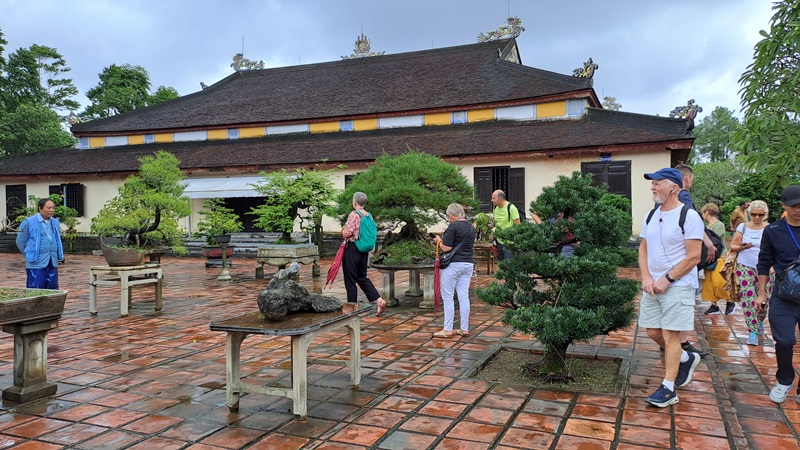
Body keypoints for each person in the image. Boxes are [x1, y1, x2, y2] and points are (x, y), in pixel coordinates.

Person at [639, 168, 703, 407]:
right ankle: (685, 357)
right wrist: (646, 277)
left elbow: (694, 256)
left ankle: (668, 387)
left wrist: (667, 279)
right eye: (652, 183)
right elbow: (643, 248)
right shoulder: (650, 215)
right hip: (652, 285)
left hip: (678, 285)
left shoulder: (689, 216)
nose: (653, 187)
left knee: (670, 334)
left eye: (658, 183)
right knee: (652, 331)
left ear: (674, 187)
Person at [757, 186, 800, 404]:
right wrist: (761, 293)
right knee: (784, 340)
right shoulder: (773, 230)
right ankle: (784, 380)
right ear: (783, 206)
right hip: (784, 295)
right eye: (794, 206)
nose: (799, 210)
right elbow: (764, 262)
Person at [730, 200, 773, 346]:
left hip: (766, 269)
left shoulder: (770, 228)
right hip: (745, 266)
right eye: (754, 214)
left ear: (765, 215)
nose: (756, 217)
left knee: (763, 300)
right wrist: (743, 247)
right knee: (747, 298)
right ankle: (752, 330)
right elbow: (733, 245)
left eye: (760, 215)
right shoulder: (743, 227)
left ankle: (759, 321)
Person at [432, 203, 475, 338]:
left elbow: (446, 248)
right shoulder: (471, 227)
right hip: (468, 264)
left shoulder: (453, 226)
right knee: (463, 295)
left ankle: (448, 329)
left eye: (449, 216)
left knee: (448, 296)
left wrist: (438, 241)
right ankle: (464, 328)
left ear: (452, 214)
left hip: (454, 264)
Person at [341, 192, 388, 315]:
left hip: (352, 248)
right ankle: (379, 300)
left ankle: (351, 310)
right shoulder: (368, 215)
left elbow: (347, 233)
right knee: (362, 277)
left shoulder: (354, 214)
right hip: (364, 250)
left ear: (355, 202)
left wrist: (344, 229)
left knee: (350, 279)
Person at [16, 198, 64, 289]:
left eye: (53, 208)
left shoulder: (55, 222)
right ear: (40, 208)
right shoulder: (28, 222)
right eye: (49, 208)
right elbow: (20, 242)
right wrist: (29, 254)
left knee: (52, 288)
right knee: (36, 289)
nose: (52, 210)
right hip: (36, 262)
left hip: (52, 261)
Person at [700, 203, 734, 316]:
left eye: (703, 213)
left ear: (707, 213)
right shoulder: (705, 226)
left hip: (719, 256)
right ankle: (713, 305)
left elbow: (714, 239)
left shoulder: (718, 225)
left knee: (718, 280)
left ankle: (730, 301)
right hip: (708, 257)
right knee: (708, 282)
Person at [491, 190, 520, 260]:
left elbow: (518, 226)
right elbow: (496, 222)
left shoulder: (511, 208)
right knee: (501, 265)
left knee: (509, 266)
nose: (492, 200)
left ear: (500, 199)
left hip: (509, 243)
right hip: (499, 241)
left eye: (494, 198)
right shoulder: (495, 208)